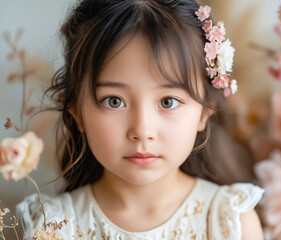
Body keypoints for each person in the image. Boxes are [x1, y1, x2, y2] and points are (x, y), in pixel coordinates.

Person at [17, 0, 264, 239]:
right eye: (114, 101)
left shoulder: (230, 222)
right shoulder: (55, 226)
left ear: (204, 112)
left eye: (168, 102)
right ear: (76, 113)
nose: (142, 130)